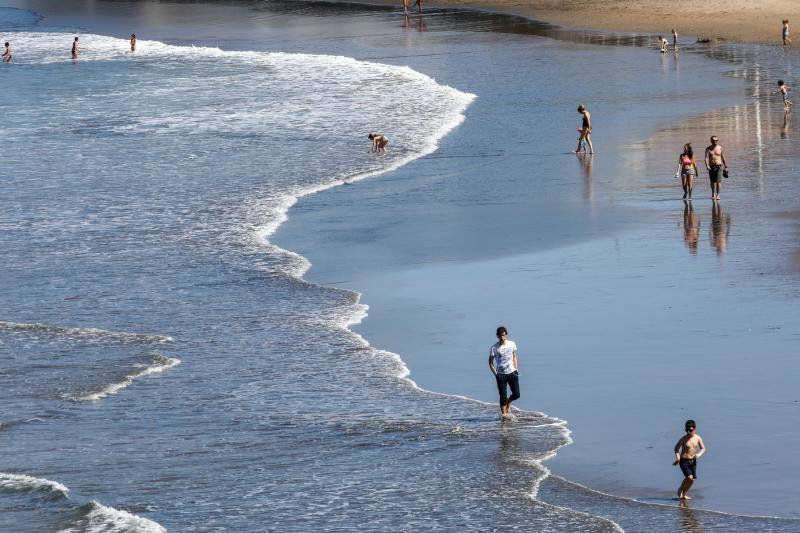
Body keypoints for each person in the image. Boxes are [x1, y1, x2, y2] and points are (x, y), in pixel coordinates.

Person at [488, 326, 520, 417]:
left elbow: (514, 356)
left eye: (504, 335)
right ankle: (504, 416)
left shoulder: (512, 344)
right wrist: (496, 374)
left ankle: (508, 402)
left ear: (506, 335)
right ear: (497, 336)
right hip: (501, 375)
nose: (502, 337)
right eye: (500, 336)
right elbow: (490, 363)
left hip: (512, 372)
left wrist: (516, 369)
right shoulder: (494, 348)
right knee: (503, 396)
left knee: (517, 394)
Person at [673, 419, 706, 500]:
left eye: (690, 430)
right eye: (687, 430)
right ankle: (680, 489)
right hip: (683, 461)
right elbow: (676, 449)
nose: (689, 432)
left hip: (693, 461)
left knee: (692, 480)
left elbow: (703, 448)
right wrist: (677, 458)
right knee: (689, 477)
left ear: (695, 429)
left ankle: (684, 494)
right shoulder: (683, 439)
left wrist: (698, 454)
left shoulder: (698, 438)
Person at [704, 136, 727, 201]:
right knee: (712, 182)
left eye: (716, 140)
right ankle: (713, 193)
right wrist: (707, 166)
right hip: (711, 167)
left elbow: (723, 157)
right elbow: (706, 158)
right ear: (711, 141)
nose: (715, 141)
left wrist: (725, 166)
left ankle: (718, 194)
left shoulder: (720, 148)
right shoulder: (708, 148)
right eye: (714, 140)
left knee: (718, 182)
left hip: (719, 166)